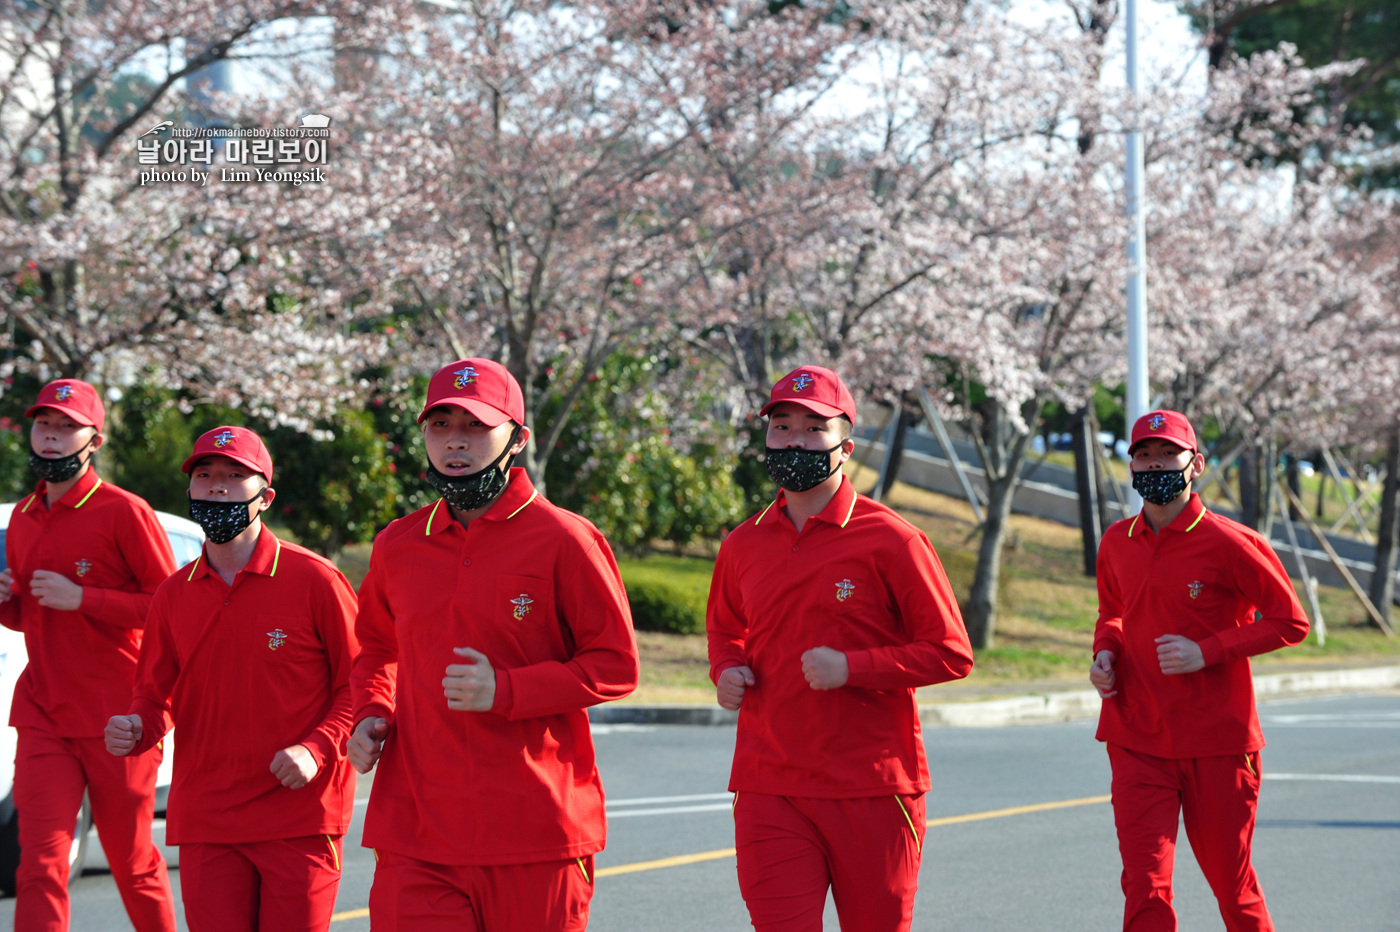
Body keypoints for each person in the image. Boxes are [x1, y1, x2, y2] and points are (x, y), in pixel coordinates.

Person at [348, 358, 640, 932]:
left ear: (518, 439)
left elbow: (615, 665)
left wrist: (506, 689)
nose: (455, 443)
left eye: (476, 427)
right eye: (441, 425)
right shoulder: (398, 544)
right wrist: (371, 714)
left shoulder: (567, 540)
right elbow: (375, 649)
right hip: (417, 835)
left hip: (535, 832)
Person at [707, 365, 975, 932]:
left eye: (813, 428)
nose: (794, 441)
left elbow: (951, 652)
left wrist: (854, 668)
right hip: (769, 784)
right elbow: (724, 630)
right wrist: (727, 667)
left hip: (873, 788)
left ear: (845, 447)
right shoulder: (743, 544)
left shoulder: (894, 540)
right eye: (782, 427)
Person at [104, 426, 359, 932]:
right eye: (205, 475)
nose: (216, 486)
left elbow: (364, 687)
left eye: (233, 475)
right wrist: (136, 727)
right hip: (208, 820)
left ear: (265, 496)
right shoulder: (173, 595)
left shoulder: (317, 581)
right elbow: (155, 698)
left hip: (300, 818)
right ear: (190, 493)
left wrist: (316, 748)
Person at [1090, 410, 1310, 932]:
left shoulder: (1232, 542)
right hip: (1137, 735)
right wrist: (1106, 653)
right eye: (1143, 456)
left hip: (1219, 741)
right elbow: (1112, 612)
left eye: (1168, 454)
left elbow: (1290, 621)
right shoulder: (1116, 542)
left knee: (1231, 885)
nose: (1154, 464)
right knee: (1145, 885)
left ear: (1196, 464)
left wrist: (1207, 650)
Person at [0, 378, 177, 932]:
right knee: (40, 866)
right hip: (44, 715)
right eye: (44, 425)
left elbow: (171, 609)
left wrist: (86, 598)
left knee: (132, 863)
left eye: (66, 427)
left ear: (94, 440)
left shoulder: (125, 512)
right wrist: (6, 602)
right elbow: (30, 619)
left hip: (118, 716)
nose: (51, 437)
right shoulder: (24, 516)